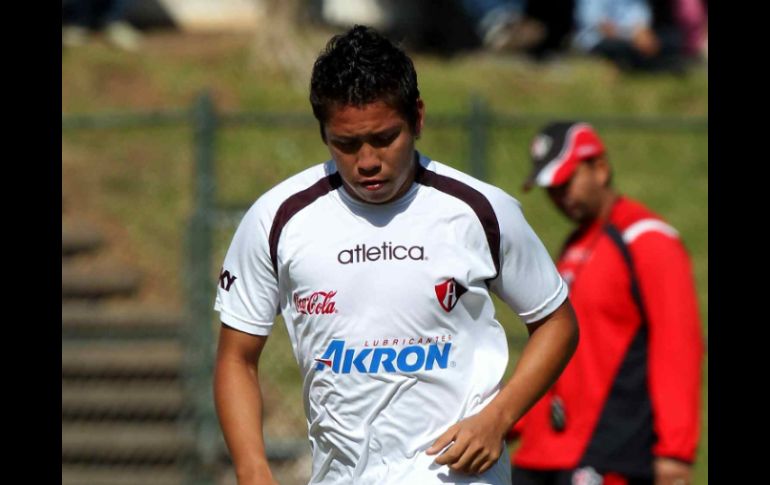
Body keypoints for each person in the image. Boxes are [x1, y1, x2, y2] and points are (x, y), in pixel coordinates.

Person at [213, 25, 579, 485]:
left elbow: (557, 322)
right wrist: (252, 469)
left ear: (418, 118)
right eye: (345, 144)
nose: (367, 160)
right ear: (323, 132)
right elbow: (236, 358)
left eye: (385, 138)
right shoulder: (277, 219)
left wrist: (499, 418)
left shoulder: (480, 210)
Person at [509, 121, 704, 485]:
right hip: (542, 451)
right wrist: (510, 419)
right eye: (551, 189)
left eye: (566, 182)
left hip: (608, 451)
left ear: (599, 169)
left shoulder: (646, 239)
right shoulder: (574, 245)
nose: (559, 197)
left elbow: (677, 347)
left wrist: (675, 451)